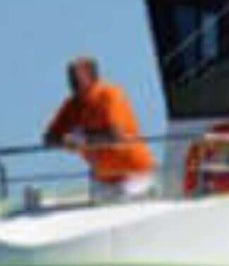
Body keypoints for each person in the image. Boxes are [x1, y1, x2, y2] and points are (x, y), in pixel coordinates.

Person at [43, 57, 156, 201]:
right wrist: (64, 140)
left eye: (74, 75)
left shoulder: (110, 94)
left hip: (134, 175)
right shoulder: (71, 105)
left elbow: (114, 136)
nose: (70, 81)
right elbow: (48, 138)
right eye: (69, 76)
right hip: (103, 179)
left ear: (90, 75)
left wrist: (81, 139)